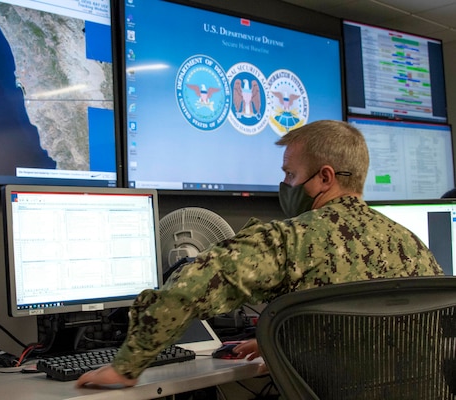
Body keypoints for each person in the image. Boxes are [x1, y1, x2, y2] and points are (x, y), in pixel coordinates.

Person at [76, 120, 443, 388]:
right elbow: (374, 334)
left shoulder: (293, 238)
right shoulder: (413, 244)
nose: (285, 184)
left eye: (290, 174)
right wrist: (280, 338)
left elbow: (184, 291)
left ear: (325, 177)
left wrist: (126, 366)